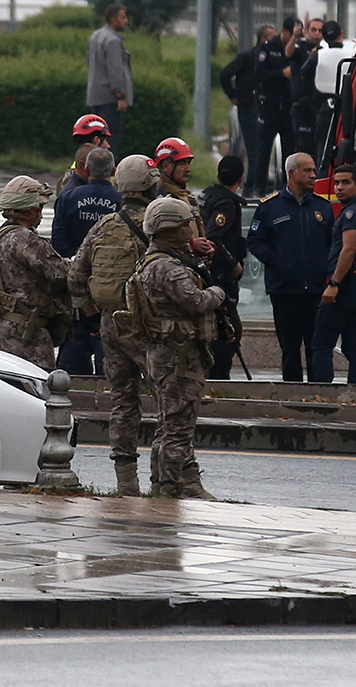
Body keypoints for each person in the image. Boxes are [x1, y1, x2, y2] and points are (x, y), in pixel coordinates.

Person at [68, 155, 160, 496]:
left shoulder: (104, 225)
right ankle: (165, 477)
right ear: (150, 185)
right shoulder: (157, 224)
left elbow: (76, 278)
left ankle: (126, 481)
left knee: (123, 399)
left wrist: (92, 313)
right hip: (146, 325)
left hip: (109, 324)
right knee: (168, 397)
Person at [128, 197, 225, 499]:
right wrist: (217, 293)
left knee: (167, 425)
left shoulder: (150, 261)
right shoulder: (168, 268)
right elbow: (194, 302)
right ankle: (169, 489)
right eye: (184, 225)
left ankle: (161, 485)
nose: (189, 231)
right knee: (177, 429)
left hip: (164, 353)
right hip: (179, 355)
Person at [247, 153, 334, 381]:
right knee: (290, 347)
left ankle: (319, 395)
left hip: (316, 290)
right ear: (292, 173)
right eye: (307, 170)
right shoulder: (270, 207)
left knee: (316, 346)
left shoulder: (323, 208)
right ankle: (293, 395)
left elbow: (333, 243)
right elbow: (255, 241)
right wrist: (279, 262)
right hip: (284, 290)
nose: (314, 175)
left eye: (314, 170)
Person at [0, 177, 70, 370]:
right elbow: (61, 272)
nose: (40, 213)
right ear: (28, 209)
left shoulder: (0, 236)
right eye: (38, 208)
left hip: (7, 324)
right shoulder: (26, 240)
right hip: (27, 330)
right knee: (39, 384)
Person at [52, 147, 120, 376]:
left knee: (72, 357)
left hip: (76, 292)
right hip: (111, 289)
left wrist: (80, 264)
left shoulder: (68, 198)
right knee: (110, 362)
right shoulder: (122, 202)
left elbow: (58, 245)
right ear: (112, 170)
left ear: (87, 169)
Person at [309, 164, 356, 383]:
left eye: (346, 182)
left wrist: (334, 283)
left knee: (321, 343)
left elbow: (348, 249)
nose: (339, 187)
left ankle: (324, 395)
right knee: (354, 346)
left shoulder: (350, 214)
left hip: (346, 288)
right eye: (337, 182)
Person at [199, 156, 248, 379]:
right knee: (229, 331)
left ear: (218, 176)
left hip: (206, 273)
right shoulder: (227, 203)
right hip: (221, 276)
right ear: (241, 178)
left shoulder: (206, 195)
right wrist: (233, 264)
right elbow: (213, 237)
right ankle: (219, 377)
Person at [250, 19, 297, 196]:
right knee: (264, 148)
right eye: (291, 35)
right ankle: (258, 187)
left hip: (287, 106)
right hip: (269, 104)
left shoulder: (294, 49)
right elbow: (259, 72)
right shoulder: (267, 48)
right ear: (284, 31)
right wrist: (280, 73)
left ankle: (288, 187)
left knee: (289, 149)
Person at [220, 26, 269, 170]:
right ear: (263, 39)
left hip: (267, 106)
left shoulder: (273, 59)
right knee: (253, 144)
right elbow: (225, 74)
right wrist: (233, 95)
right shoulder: (247, 57)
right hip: (249, 105)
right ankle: (252, 181)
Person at [86, 4, 133, 153]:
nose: (126, 21)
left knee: (95, 138)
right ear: (113, 19)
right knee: (110, 139)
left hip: (95, 95)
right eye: (123, 17)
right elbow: (115, 70)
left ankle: (92, 169)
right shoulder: (113, 40)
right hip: (110, 98)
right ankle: (107, 172)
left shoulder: (95, 36)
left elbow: (89, 61)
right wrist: (120, 95)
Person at [301, 19, 345, 170]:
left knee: (323, 149)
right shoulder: (352, 53)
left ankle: (323, 180)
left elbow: (304, 73)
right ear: (341, 33)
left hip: (325, 107)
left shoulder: (319, 55)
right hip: (348, 107)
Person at [289, 17, 323, 158]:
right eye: (313, 30)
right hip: (302, 104)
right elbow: (288, 53)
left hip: (320, 104)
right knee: (303, 145)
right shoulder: (300, 47)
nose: (317, 34)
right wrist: (295, 35)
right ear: (307, 32)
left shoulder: (326, 49)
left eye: (320, 31)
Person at [58, 113, 112, 198]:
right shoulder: (94, 175)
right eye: (106, 140)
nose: (108, 146)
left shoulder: (69, 176)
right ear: (96, 140)